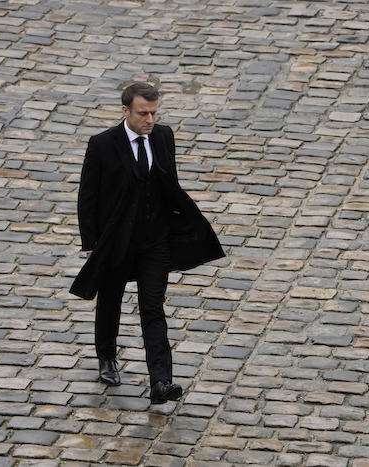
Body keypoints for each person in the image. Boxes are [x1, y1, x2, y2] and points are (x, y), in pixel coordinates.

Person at [70, 82, 225, 404]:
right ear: (125, 111)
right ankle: (107, 358)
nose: (150, 120)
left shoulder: (164, 136)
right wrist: (90, 242)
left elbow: (169, 182)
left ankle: (161, 381)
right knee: (110, 300)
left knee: (152, 308)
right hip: (116, 240)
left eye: (154, 113)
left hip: (156, 240)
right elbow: (88, 197)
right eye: (143, 113)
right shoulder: (103, 144)